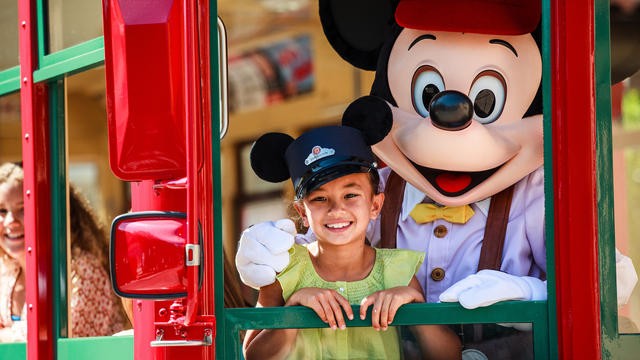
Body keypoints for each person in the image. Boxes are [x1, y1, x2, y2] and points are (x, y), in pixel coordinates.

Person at [242, 126, 461, 360]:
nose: (336, 209)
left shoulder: (399, 271)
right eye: (320, 198)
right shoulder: (284, 271)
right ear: (302, 212)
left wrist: (414, 301)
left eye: (350, 195)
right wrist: (293, 308)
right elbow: (254, 355)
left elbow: (449, 356)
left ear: (375, 205)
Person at [0, 162, 129, 342]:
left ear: (51, 212)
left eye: (23, 209)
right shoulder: (5, 271)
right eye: (2, 211)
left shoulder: (81, 271)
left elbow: (64, 340)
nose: (10, 221)